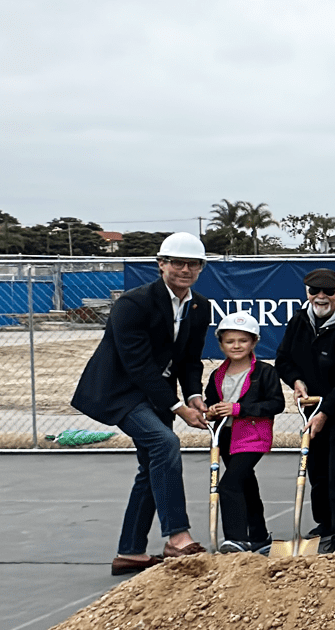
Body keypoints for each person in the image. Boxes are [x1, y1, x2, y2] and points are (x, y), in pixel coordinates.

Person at [73, 232, 212, 575]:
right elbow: (137, 366)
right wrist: (179, 408)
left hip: (155, 393)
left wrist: (194, 394)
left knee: (152, 466)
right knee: (165, 442)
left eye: (192, 264)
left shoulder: (200, 306)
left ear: (201, 268)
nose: (184, 269)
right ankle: (177, 537)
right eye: (176, 262)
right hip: (119, 390)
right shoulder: (133, 304)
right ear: (161, 264)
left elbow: (190, 360)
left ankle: (131, 552)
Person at [276, 268, 335, 554]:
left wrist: (324, 412)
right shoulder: (299, 322)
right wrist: (296, 381)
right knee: (316, 470)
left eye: (328, 291)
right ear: (306, 293)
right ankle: (324, 524)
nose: (321, 296)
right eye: (314, 291)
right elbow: (283, 359)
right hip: (311, 410)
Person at [204, 311, 285, 554]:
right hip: (226, 438)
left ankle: (236, 539)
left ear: (254, 342)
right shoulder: (217, 374)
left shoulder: (264, 372)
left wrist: (239, 408)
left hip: (252, 437)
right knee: (246, 485)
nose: (236, 346)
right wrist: (211, 411)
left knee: (229, 484)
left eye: (243, 340)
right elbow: (211, 400)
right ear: (220, 344)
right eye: (230, 341)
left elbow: (276, 404)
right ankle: (260, 537)